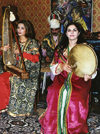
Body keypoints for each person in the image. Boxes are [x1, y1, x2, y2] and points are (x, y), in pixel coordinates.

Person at [39, 22, 97, 134]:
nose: (72, 32)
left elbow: (93, 67)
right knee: (54, 92)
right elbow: (52, 66)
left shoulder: (86, 48)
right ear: (65, 33)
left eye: (74, 30)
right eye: (69, 30)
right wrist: (61, 66)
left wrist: (89, 75)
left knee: (76, 97)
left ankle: (74, 128)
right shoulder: (60, 49)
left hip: (80, 80)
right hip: (61, 79)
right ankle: (54, 126)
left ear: (79, 32)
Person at [0, 20, 40, 117]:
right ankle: (4, 107)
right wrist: (3, 50)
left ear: (27, 29)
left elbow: (36, 58)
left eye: (22, 28)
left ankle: (17, 110)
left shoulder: (32, 42)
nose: (19, 30)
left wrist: (22, 53)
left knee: (14, 80)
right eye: (18, 28)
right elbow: (6, 56)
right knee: (2, 78)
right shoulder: (13, 41)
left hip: (29, 72)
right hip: (15, 69)